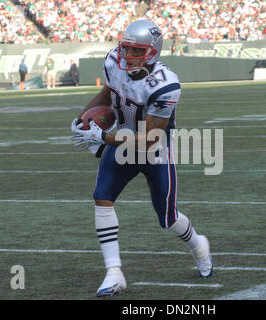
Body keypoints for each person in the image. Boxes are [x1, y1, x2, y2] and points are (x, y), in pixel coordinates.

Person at [70, 19, 213, 297]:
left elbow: (150, 138)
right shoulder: (113, 60)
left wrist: (102, 138)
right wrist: (82, 119)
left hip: (153, 149)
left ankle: (198, 244)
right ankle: (114, 272)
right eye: (126, 49)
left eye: (136, 51)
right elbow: (106, 93)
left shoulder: (165, 85)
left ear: (152, 52)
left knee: (168, 219)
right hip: (122, 140)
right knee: (102, 198)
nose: (127, 56)